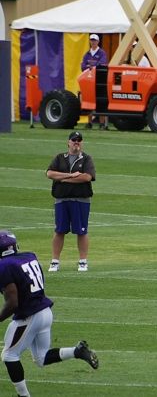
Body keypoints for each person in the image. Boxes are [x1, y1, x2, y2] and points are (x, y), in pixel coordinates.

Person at [0, 230, 99, 397]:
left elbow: (12, 302)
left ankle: (23, 396)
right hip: (45, 312)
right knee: (41, 358)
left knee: (9, 355)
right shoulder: (29, 256)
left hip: (29, 317)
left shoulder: (5, 266)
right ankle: (77, 351)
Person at [46, 131, 96, 272]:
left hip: (81, 200)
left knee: (81, 231)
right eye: (74, 140)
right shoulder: (60, 158)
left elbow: (86, 177)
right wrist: (70, 175)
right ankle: (55, 261)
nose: (76, 142)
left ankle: (82, 261)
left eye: (79, 140)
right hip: (61, 199)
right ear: (68, 142)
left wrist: (62, 179)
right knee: (59, 230)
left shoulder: (86, 159)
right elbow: (49, 173)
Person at [81, 34, 108, 130]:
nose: (93, 42)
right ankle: (89, 123)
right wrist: (90, 67)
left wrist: (91, 67)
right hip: (89, 81)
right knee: (89, 101)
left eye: (94, 40)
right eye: (91, 40)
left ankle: (101, 123)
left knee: (101, 102)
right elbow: (83, 66)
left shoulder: (101, 53)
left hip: (99, 81)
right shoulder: (87, 54)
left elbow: (102, 64)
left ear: (98, 42)